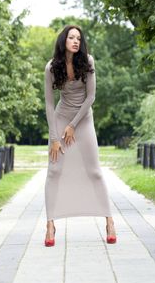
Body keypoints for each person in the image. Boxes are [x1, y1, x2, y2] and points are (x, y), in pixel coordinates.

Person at [44, 25, 117, 247]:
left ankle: (110, 221)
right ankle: (50, 225)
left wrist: (73, 125)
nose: (76, 41)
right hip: (61, 117)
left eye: (78, 38)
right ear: (63, 41)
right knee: (54, 171)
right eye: (71, 37)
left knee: (94, 171)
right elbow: (48, 103)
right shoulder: (51, 67)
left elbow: (91, 97)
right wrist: (55, 137)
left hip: (83, 119)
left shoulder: (88, 61)